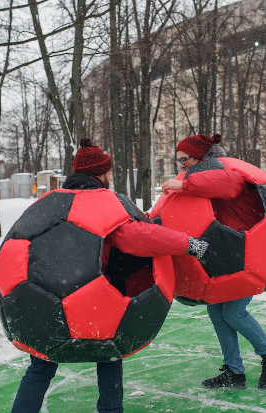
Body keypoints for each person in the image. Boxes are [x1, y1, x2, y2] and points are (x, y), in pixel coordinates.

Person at [12, 137, 210, 413]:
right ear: (101, 174)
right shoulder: (104, 202)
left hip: (45, 305)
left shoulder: (48, 201)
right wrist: (187, 243)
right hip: (90, 303)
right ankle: (110, 410)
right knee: (108, 353)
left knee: (41, 366)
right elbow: (138, 236)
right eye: (107, 172)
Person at [161, 133, 266, 390]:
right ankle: (234, 371)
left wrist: (182, 185)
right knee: (217, 310)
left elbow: (229, 184)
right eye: (179, 160)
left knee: (233, 312)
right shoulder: (203, 174)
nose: (181, 165)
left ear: (200, 156)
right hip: (229, 254)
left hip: (250, 253)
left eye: (184, 159)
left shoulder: (223, 169)